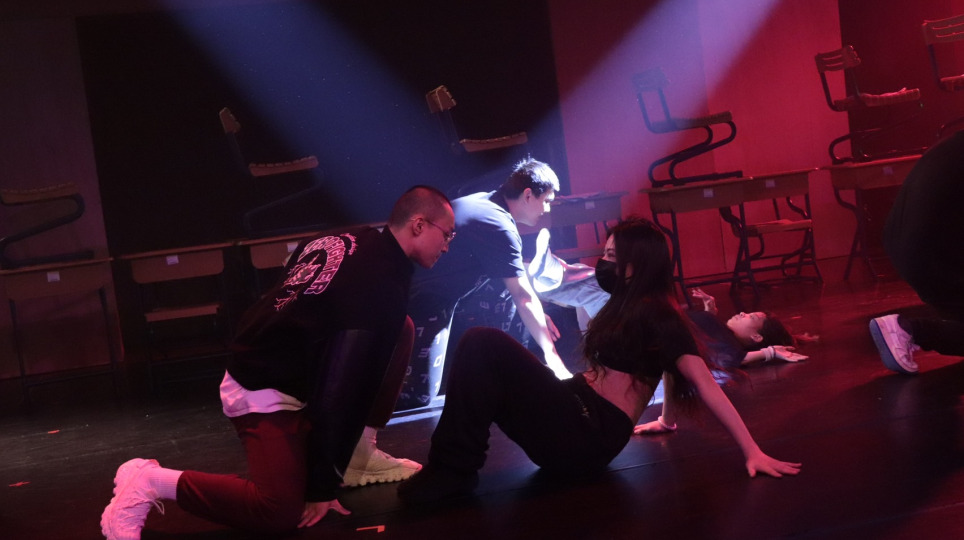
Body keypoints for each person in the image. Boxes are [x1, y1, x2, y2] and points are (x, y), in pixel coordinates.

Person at [101, 186, 455, 539]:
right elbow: (340, 393)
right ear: (419, 225)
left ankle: (358, 455)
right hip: (263, 385)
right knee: (279, 510)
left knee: (400, 328)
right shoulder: (379, 288)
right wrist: (321, 485)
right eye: (447, 235)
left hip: (282, 359)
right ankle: (149, 480)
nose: (447, 247)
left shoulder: (348, 237)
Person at [396, 218, 801, 503]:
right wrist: (667, 421)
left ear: (635, 265)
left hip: (588, 434)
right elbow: (663, 367)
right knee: (484, 352)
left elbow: (702, 382)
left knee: (483, 342)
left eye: (610, 255)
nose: (602, 262)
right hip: (577, 410)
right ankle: (453, 467)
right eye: (604, 253)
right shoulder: (626, 304)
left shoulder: (660, 314)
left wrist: (752, 451)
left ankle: (453, 470)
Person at [397, 157, 569, 410]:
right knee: (419, 396)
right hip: (422, 299)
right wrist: (554, 359)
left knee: (507, 289)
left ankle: (506, 372)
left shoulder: (484, 202)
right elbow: (522, 296)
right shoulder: (499, 227)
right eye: (546, 201)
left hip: (433, 290)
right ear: (528, 195)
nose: (548, 210)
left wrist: (537, 316)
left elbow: (516, 288)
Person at [634, 287, 807, 434]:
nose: (742, 313)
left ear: (756, 336)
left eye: (751, 317)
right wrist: (709, 313)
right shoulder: (722, 333)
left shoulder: (729, 343)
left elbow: (734, 358)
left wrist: (769, 352)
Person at [870, 130, 964, 374]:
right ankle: (908, 329)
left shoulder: (954, 143)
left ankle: (907, 330)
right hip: (934, 250)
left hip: (907, 242)